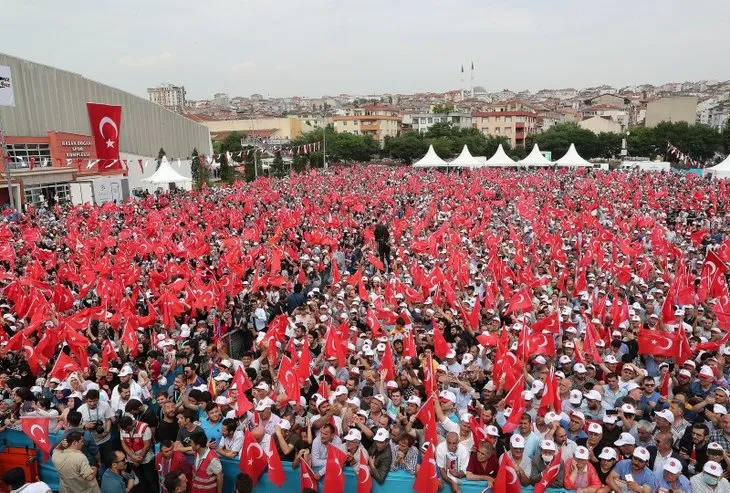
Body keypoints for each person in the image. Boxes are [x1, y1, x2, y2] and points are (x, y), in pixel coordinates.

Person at [119, 415, 157, 493]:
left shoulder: (144, 428)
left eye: (127, 429)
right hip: (131, 459)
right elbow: (123, 443)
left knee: (151, 479)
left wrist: (138, 459)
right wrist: (133, 457)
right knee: (140, 479)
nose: (126, 431)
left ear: (131, 424)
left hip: (146, 459)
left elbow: (147, 445)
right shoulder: (123, 428)